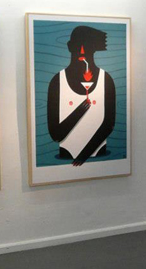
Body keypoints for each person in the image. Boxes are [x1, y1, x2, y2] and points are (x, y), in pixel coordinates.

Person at [47, 25, 116, 166]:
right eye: (78, 45)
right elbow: (56, 135)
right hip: (66, 155)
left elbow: (108, 125)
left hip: (100, 156)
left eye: (87, 46)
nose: (82, 51)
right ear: (70, 46)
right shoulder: (57, 81)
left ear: (94, 48)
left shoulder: (106, 79)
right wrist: (80, 110)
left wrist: (83, 156)